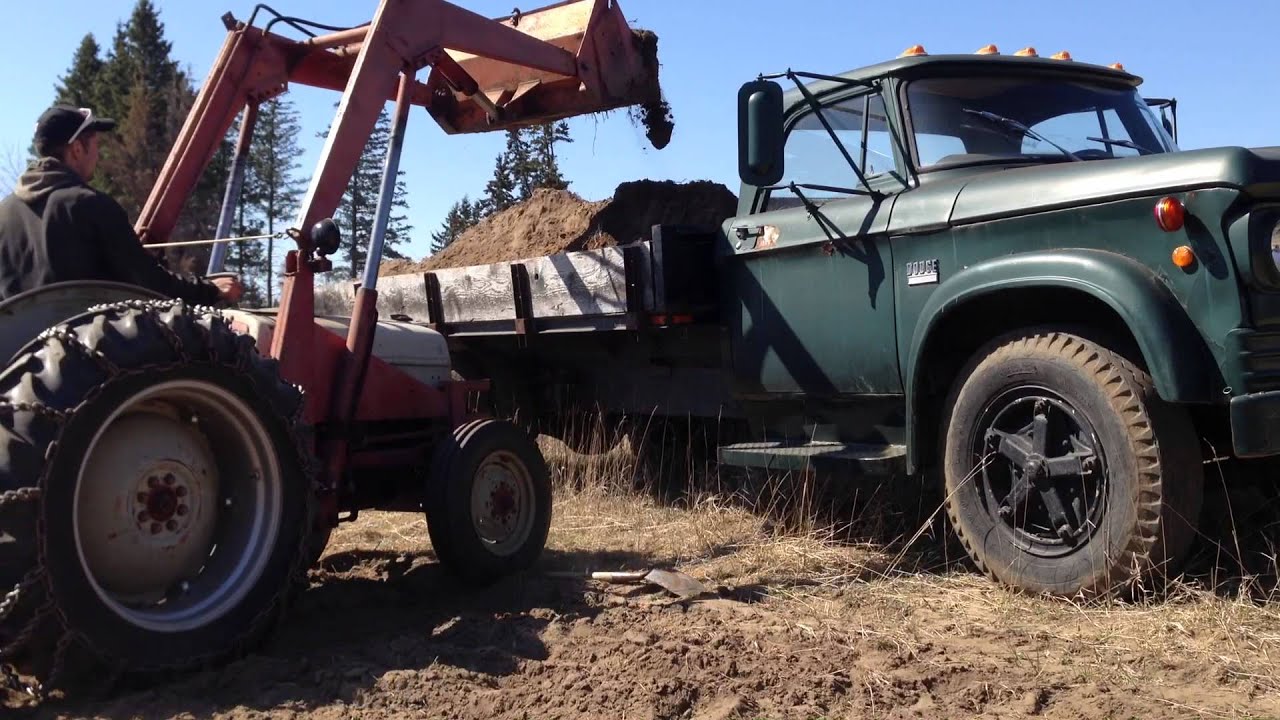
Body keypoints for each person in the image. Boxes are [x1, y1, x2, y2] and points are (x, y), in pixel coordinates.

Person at [0, 104, 243, 305]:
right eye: (95, 145)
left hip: (18, 355)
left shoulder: (4, 213)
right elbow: (149, 284)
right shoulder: (89, 204)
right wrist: (210, 290)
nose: (97, 154)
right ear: (76, 150)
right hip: (85, 351)